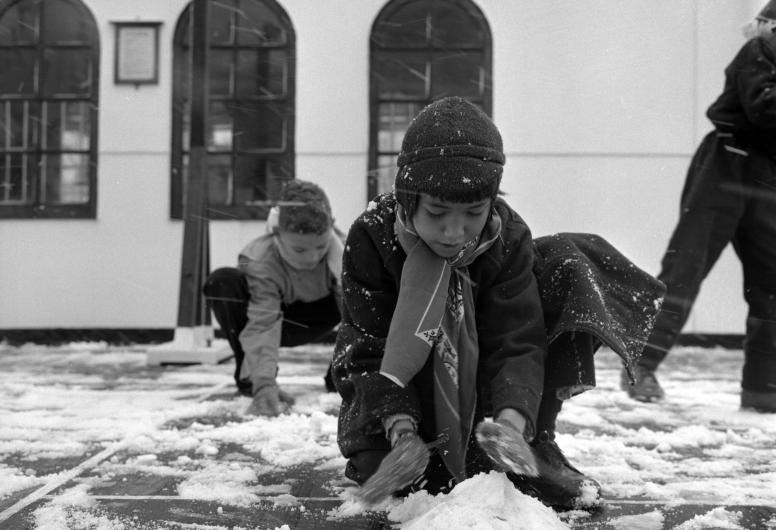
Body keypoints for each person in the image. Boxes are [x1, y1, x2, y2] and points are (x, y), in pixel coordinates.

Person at [330, 97, 665, 509]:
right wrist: (400, 431)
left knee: (566, 262)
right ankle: (418, 443)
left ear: (492, 201)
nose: (455, 232)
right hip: (398, 393)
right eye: (437, 212)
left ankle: (531, 440)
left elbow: (518, 338)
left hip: (479, 395)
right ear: (408, 196)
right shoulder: (372, 237)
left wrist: (511, 423)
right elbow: (368, 346)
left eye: (473, 212)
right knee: (398, 480)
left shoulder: (506, 236)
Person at [622, 2, 776, 412]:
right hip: (726, 164)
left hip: (765, 172)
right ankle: (641, 365)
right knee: (686, 267)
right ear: (769, 28)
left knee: (772, 285)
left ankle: (764, 392)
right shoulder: (757, 52)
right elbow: (764, 108)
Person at [203, 179, 343, 416]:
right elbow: (263, 321)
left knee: (368, 295)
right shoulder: (258, 259)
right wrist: (264, 384)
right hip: (280, 320)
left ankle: (342, 374)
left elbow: (364, 316)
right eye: (300, 250)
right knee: (222, 282)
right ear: (278, 234)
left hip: (322, 315)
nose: (312, 258)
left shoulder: (347, 248)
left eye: (320, 247)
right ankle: (251, 377)